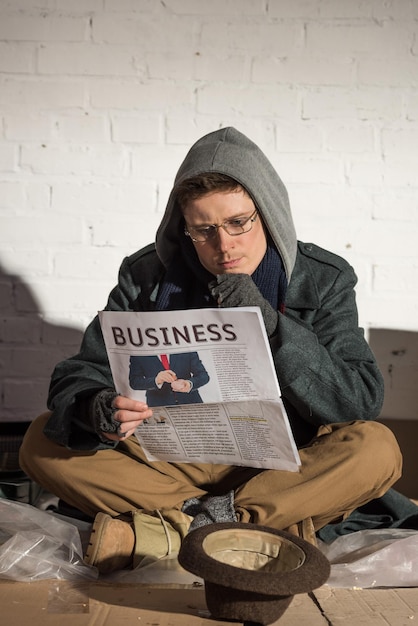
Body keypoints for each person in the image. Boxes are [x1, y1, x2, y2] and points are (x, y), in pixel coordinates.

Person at [19, 127, 402, 574]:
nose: (224, 245)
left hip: (281, 468)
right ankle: (237, 528)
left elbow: (358, 399)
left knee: (377, 448)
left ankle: (180, 529)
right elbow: (83, 370)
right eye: (203, 231)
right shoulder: (146, 275)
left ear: (269, 214)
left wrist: (275, 325)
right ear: (183, 228)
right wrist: (97, 406)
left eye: (239, 222)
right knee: (40, 441)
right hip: (168, 462)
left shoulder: (324, 278)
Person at [129, 351, 209, 406]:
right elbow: (134, 382)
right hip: (159, 406)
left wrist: (189, 384)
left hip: (191, 403)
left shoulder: (186, 349)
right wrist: (156, 380)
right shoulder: (138, 355)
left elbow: (203, 375)